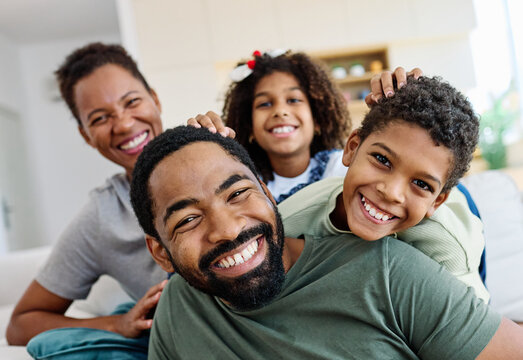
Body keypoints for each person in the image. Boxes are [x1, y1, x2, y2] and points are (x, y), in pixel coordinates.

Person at [129, 125, 523, 359]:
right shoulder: (178, 309)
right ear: (160, 251)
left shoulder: (387, 272)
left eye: (237, 194)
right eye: (189, 219)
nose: (228, 230)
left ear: (268, 194)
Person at [6, 43, 167, 348]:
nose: (123, 124)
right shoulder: (102, 217)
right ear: (85, 135)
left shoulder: (217, 151)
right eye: (99, 118)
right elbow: (20, 324)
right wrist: (117, 324)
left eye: (131, 102)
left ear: (155, 99)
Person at [280, 75, 489, 301]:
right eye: (382, 159)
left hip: (458, 211)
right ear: (352, 148)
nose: (391, 192)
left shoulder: (447, 246)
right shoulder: (295, 217)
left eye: (421, 183)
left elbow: (475, 326)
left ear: (436, 202)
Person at [189, 50, 422, 203]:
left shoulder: (344, 169)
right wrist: (202, 151)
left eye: (293, 100)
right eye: (265, 103)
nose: (280, 111)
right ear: (248, 126)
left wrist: (408, 106)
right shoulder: (241, 184)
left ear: (318, 118)